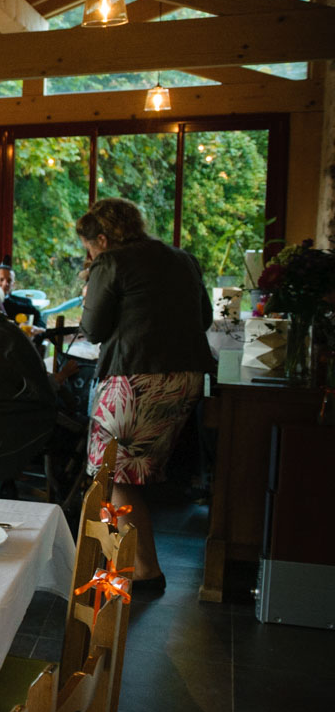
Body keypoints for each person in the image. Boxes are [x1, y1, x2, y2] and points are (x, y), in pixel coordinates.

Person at [76, 198, 212, 592]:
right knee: (126, 473)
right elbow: (204, 319)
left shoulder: (111, 262)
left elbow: (93, 329)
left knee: (112, 471)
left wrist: (89, 294)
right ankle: (131, 563)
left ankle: (141, 570)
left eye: (89, 248)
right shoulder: (183, 259)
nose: (90, 256)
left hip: (134, 379)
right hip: (185, 378)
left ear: (102, 239)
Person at [0, 263, 46, 327]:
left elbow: (40, 323)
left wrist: (35, 328)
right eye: (1, 280)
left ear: (13, 284)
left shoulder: (25, 303)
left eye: (9, 281)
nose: (5, 284)